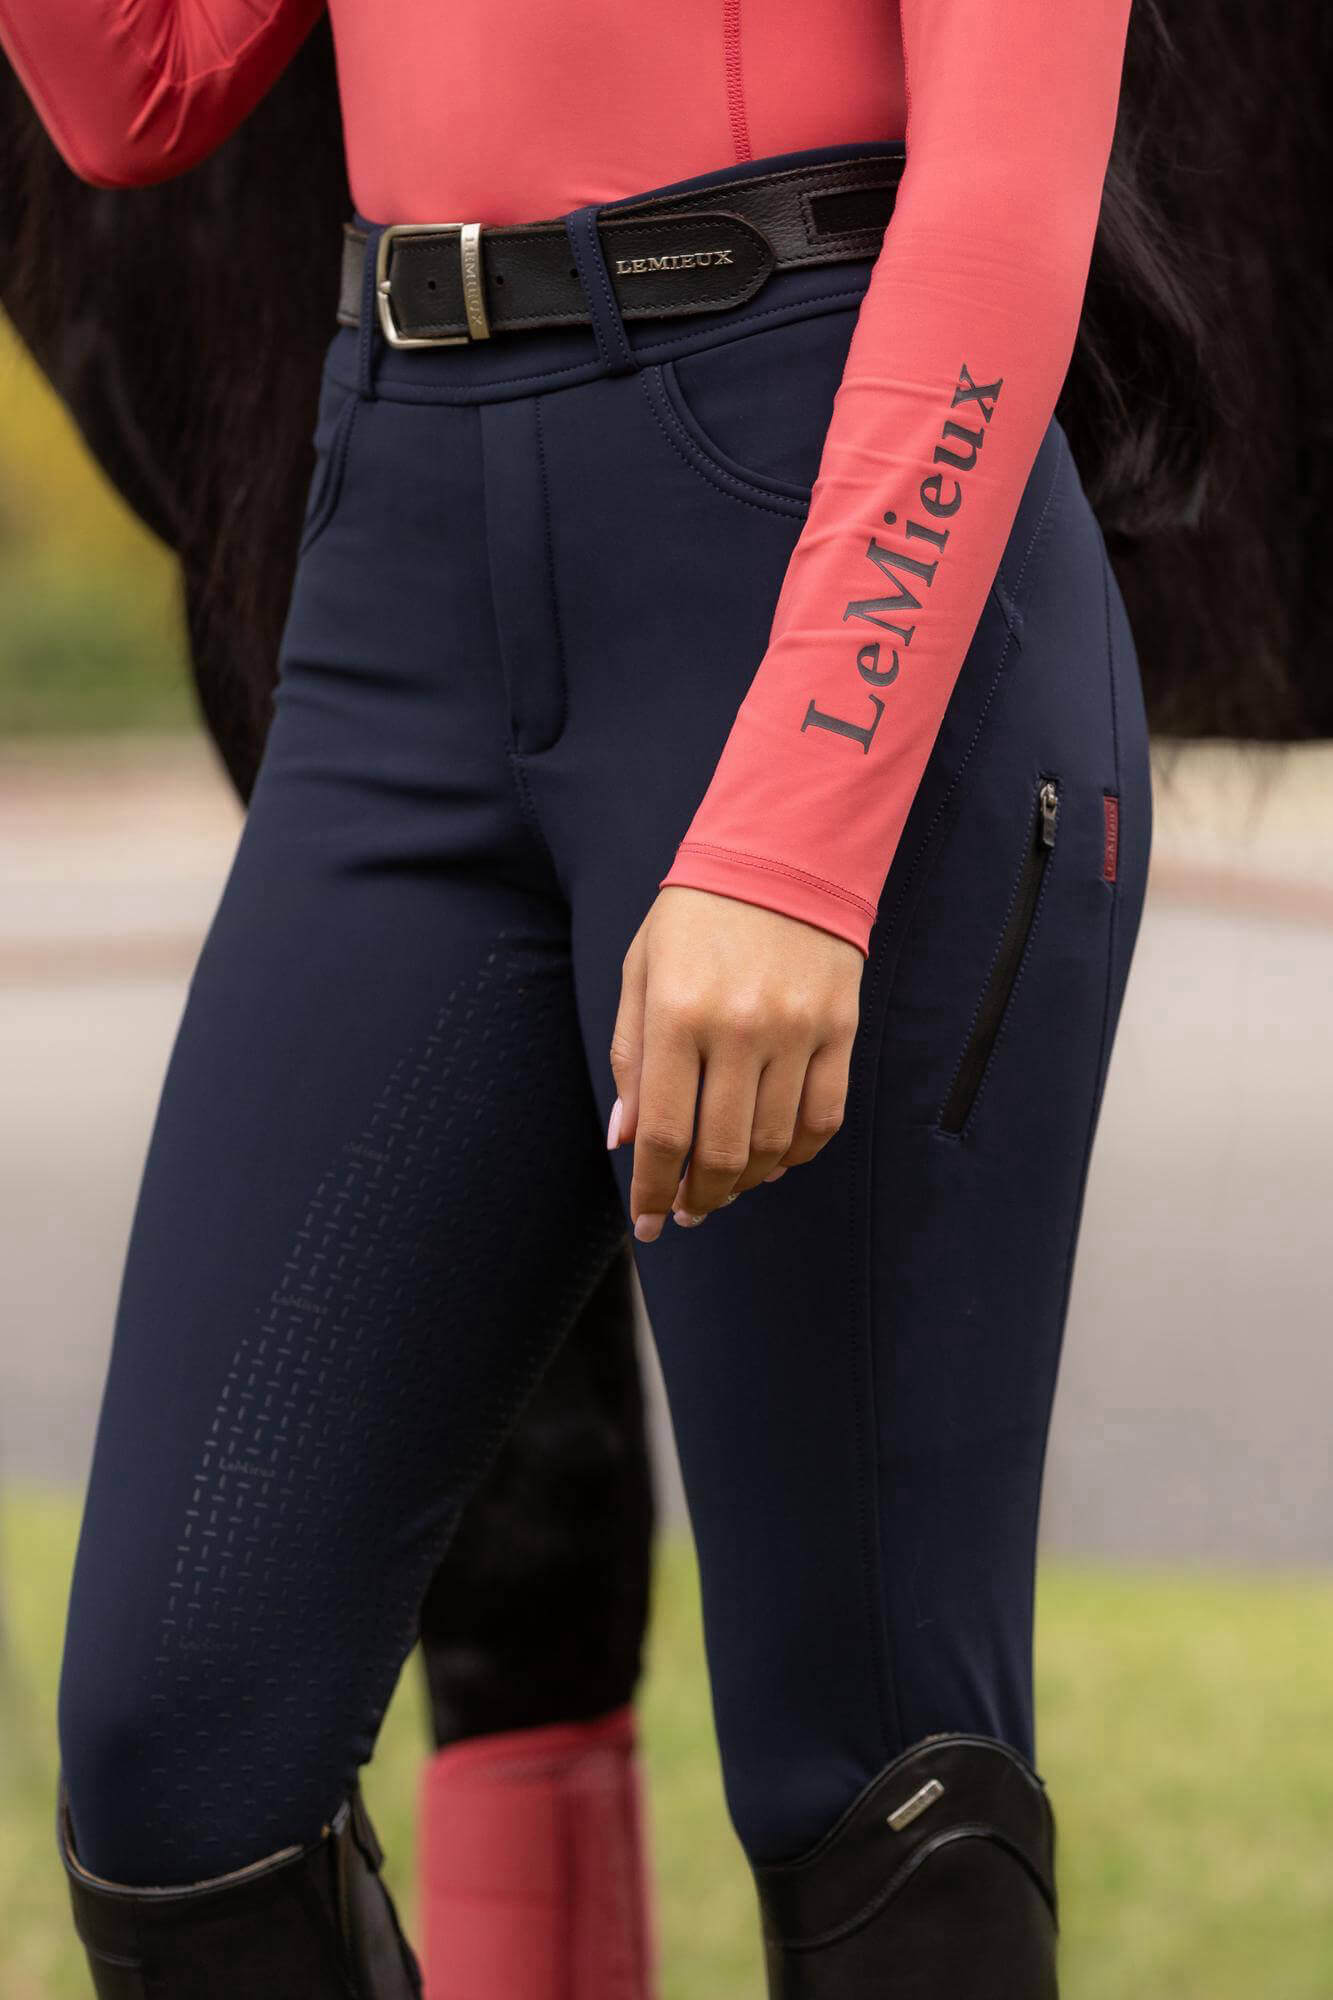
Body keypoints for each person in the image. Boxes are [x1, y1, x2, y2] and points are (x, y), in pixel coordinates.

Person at [0, 1, 1286, 1994]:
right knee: (179, 1769)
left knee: (874, 1787)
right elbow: (132, 89)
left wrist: (794, 836)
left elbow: (1003, 190)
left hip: (817, 510)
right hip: (396, 561)